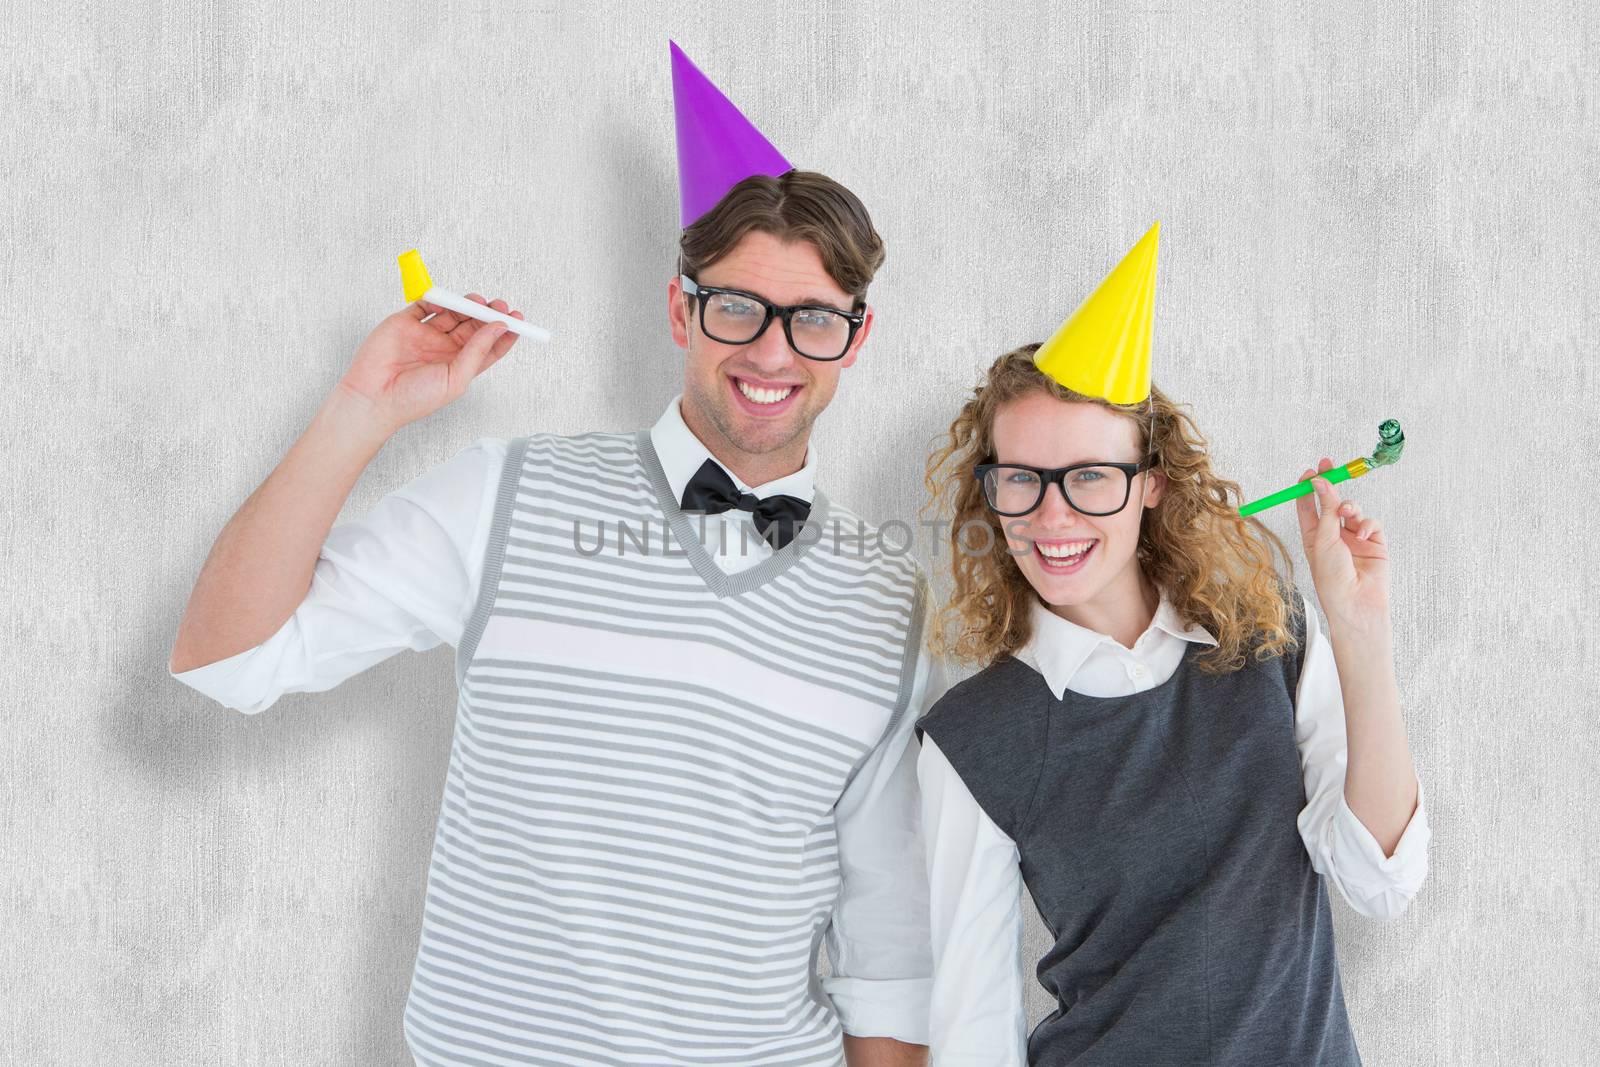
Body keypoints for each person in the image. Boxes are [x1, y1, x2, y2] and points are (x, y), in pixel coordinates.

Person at [169, 42, 936, 1067]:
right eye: (737, 306)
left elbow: (883, 923)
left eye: (813, 319)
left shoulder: (888, 591)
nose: (771, 350)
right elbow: (228, 657)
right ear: (680, 309)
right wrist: (362, 411)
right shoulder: (506, 494)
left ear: (858, 334)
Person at [914, 224, 1430, 1065]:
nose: (1051, 516)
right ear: (992, 492)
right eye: (1022, 479)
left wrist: (1359, 629)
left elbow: (1382, 882)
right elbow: (971, 1023)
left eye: (1089, 475)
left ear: (1152, 483)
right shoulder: (973, 737)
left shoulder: (1270, 639)